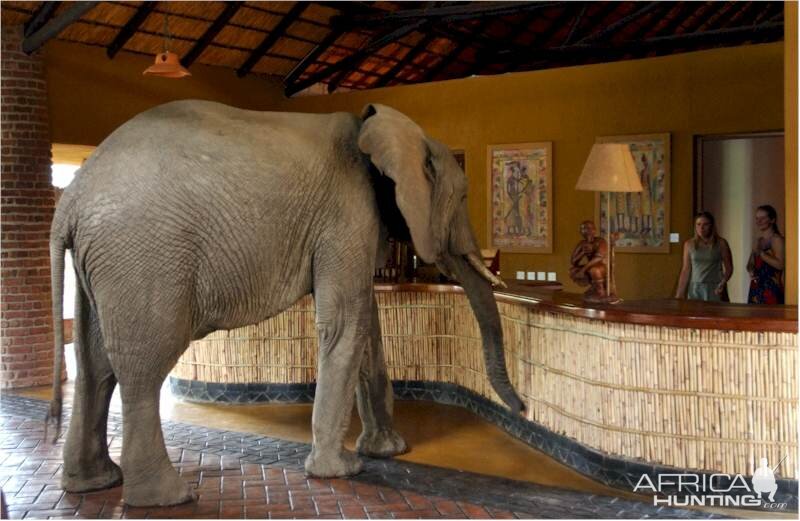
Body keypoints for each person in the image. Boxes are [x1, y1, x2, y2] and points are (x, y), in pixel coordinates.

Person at [675, 212, 732, 301]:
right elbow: (686, 270)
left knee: (715, 313)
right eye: (698, 224)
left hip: (715, 287)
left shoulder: (721, 243)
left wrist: (723, 283)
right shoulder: (689, 244)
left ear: (711, 226)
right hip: (695, 287)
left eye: (705, 224)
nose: (701, 228)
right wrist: (680, 293)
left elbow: (729, 268)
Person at [747, 205, 785, 304]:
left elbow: (780, 265)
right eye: (757, 218)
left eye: (763, 218)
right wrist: (751, 270)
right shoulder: (759, 240)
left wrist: (762, 254)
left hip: (771, 288)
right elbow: (750, 263)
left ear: (772, 220)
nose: (759, 221)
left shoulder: (777, 239)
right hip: (756, 287)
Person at [569, 220, 609, 300]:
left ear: (594, 230)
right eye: (583, 228)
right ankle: (594, 287)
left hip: (602, 267)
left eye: (589, 228)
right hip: (589, 267)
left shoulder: (601, 241)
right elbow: (573, 261)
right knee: (573, 270)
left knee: (594, 269)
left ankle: (600, 291)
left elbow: (598, 258)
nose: (586, 231)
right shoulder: (582, 243)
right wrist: (583, 252)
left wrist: (583, 270)